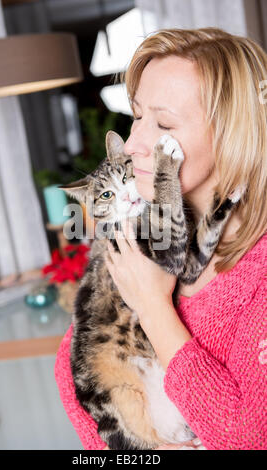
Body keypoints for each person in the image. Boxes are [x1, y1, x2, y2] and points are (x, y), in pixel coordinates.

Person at [54, 27, 267, 450]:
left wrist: (153, 307)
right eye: (136, 116)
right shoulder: (144, 230)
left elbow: (247, 438)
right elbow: (75, 373)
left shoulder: (258, 282)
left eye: (164, 122)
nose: (133, 144)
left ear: (233, 135)